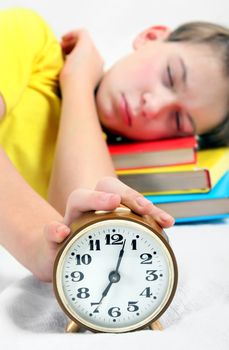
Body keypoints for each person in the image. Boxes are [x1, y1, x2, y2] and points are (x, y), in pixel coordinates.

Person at [0, 8, 228, 282]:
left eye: (177, 119)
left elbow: (84, 236)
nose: (153, 105)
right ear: (150, 37)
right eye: (169, 75)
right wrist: (32, 240)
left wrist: (79, 84)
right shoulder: (31, 36)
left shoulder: (100, 155)